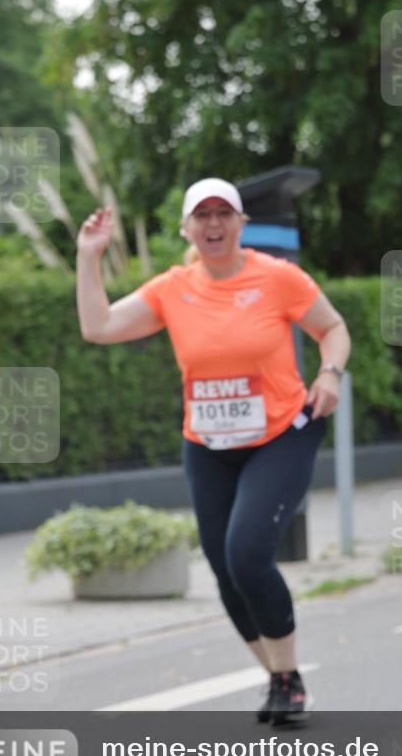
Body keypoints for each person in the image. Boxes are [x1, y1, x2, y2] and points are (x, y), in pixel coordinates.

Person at [76, 177, 351, 724]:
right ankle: (278, 677)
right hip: (207, 445)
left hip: (280, 435)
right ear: (186, 229)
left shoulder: (277, 278)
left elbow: (333, 327)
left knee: (247, 552)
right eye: (202, 216)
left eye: (224, 213)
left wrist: (331, 374)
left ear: (241, 224)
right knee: (225, 568)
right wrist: (88, 258)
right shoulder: (172, 289)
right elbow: (98, 327)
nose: (214, 224)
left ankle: (289, 676)